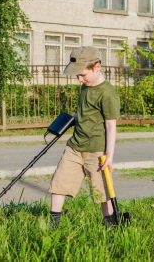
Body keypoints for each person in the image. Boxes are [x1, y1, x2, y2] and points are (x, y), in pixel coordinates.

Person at [49, 46, 120, 227]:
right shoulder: (85, 87)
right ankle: (54, 224)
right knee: (59, 183)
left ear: (97, 67)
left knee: (102, 191)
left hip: (97, 151)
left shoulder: (107, 93)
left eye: (83, 75)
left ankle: (110, 224)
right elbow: (85, 112)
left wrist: (109, 156)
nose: (80, 79)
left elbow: (111, 125)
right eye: (77, 76)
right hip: (74, 147)